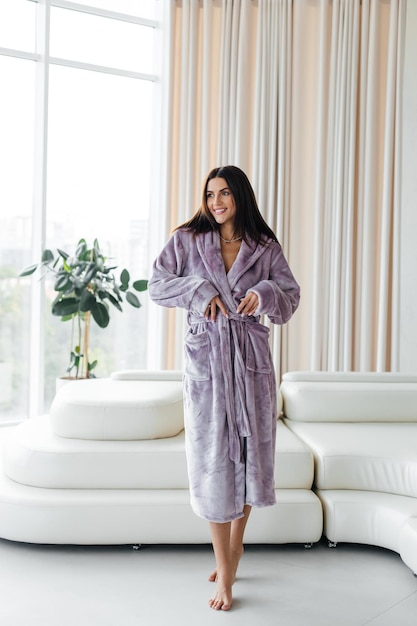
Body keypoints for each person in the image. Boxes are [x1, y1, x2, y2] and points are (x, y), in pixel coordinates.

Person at [148, 165, 300, 611]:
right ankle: (226, 571)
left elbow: (290, 298)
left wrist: (266, 293)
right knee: (214, 463)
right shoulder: (187, 240)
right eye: (211, 194)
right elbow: (157, 286)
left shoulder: (263, 247)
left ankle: (234, 548)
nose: (216, 202)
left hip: (251, 364)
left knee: (250, 459)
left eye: (225, 194)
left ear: (240, 197)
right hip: (208, 363)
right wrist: (197, 290)